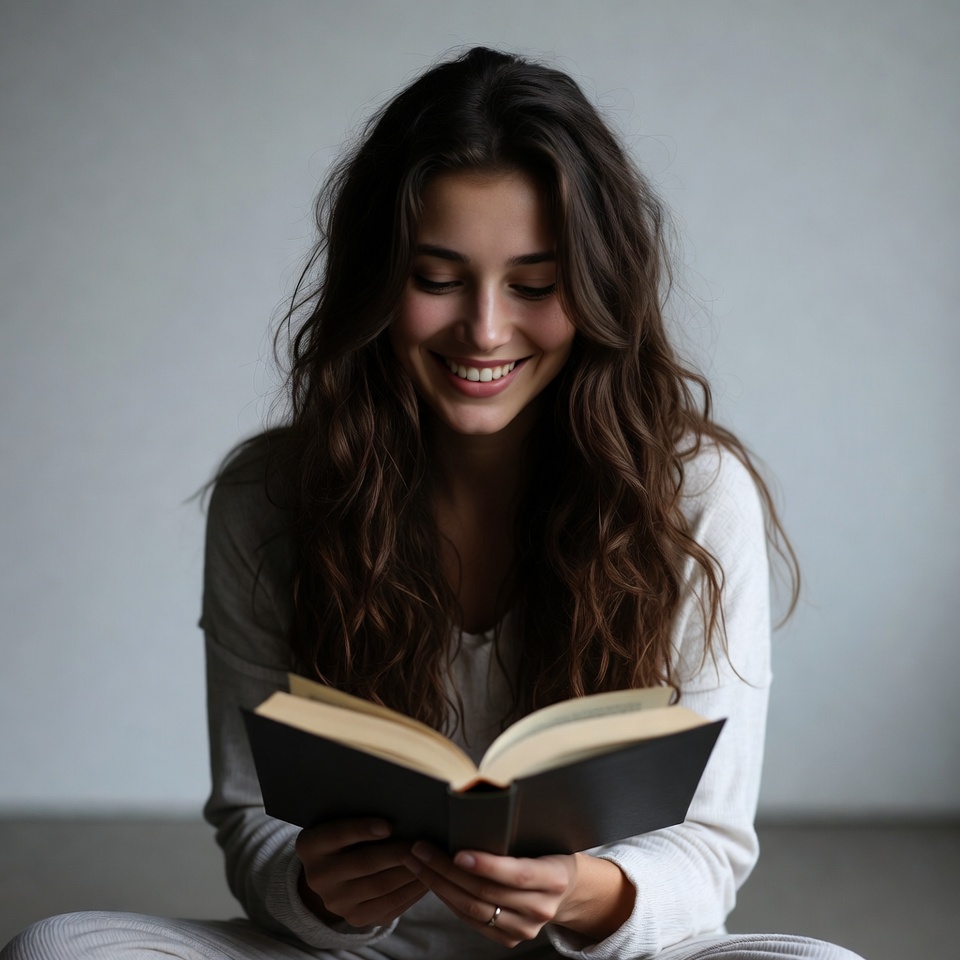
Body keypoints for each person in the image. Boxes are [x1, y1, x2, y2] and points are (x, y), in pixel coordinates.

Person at [2, 46, 864, 960]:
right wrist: (315, 890)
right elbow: (252, 817)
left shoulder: (691, 495)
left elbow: (711, 850)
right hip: (363, 955)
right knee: (59, 947)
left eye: (534, 285)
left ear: (601, 290)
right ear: (377, 282)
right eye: (437, 279)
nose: (486, 330)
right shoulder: (271, 497)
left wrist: (582, 892)